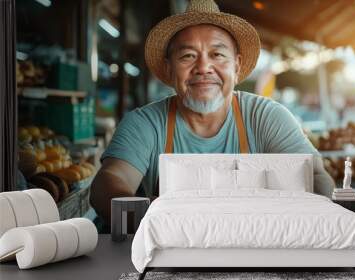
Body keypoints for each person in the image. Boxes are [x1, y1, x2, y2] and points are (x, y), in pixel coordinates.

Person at [90, 0, 335, 225]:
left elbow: (314, 175)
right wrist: (155, 217)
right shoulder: (145, 123)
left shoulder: (266, 117)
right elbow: (109, 182)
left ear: (237, 66)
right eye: (188, 56)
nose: (204, 67)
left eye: (217, 54)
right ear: (169, 68)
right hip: (171, 256)